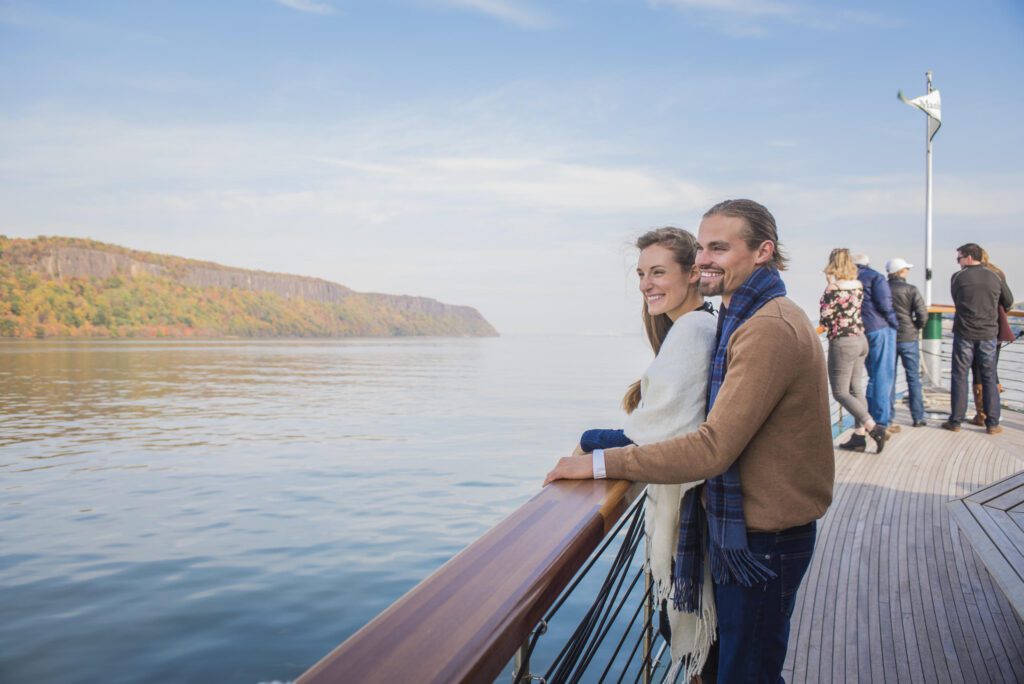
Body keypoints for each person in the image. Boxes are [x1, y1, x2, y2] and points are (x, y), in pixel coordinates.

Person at [545, 199, 834, 682]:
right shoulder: (744, 317)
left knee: (748, 673)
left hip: (765, 538)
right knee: (740, 667)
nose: (704, 259)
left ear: (763, 252)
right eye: (702, 246)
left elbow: (711, 447)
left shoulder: (767, 328)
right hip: (750, 529)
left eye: (718, 248)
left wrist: (597, 464)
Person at [577, 227, 718, 680]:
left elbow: (649, 436)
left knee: (695, 638)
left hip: (690, 509)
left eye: (658, 272)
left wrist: (585, 445)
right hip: (692, 507)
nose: (646, 284)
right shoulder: (694, 326)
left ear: (693, 273)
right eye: (641, 274)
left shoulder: (694, 331)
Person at [943, 243, 1014, 434]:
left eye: (959, 258)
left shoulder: (958, 277)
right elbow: (1008, 301)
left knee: (959, 376)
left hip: (964, 333)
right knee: (989, 376)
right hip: (988, 333)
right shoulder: (994, 275)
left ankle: (956, 421)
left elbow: (957, 299)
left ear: (968, 257)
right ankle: (992, 423)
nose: (958, 262)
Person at [820, 248, 887, 452]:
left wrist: (829, 283)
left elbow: (825, 317)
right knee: (855, 389)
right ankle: (859, 437)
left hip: (843, 342)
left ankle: (872, 427)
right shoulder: (857, 285)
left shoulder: (833, 289)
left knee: (840, 392)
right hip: (860, 339)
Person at [852, 253, 899, 436]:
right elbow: (885, 305)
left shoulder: (850, 278)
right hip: (879, 329)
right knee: (882, 377)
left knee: (871, 377)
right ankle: (881, 421)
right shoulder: (875, 277)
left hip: (861, 331)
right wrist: (895, 325)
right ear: (867, 263)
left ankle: (867, 418)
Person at [968, 249, 1014, 426]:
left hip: (972, 328)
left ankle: (982, 414)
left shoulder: (967, 275)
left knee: (978, 371)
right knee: (991, 368)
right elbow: (1008, 300)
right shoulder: (997, 273)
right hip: (994, 328)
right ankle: (994, 413)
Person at [886, 258, 928, 427]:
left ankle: (888, 417)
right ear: (902, 271)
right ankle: (918, 417)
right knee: (913, 378)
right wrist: (915, 327)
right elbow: (923, 315)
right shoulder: (911, 289)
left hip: (889, 337)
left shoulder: (883, 289)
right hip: (908, 338)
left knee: (889, 378)